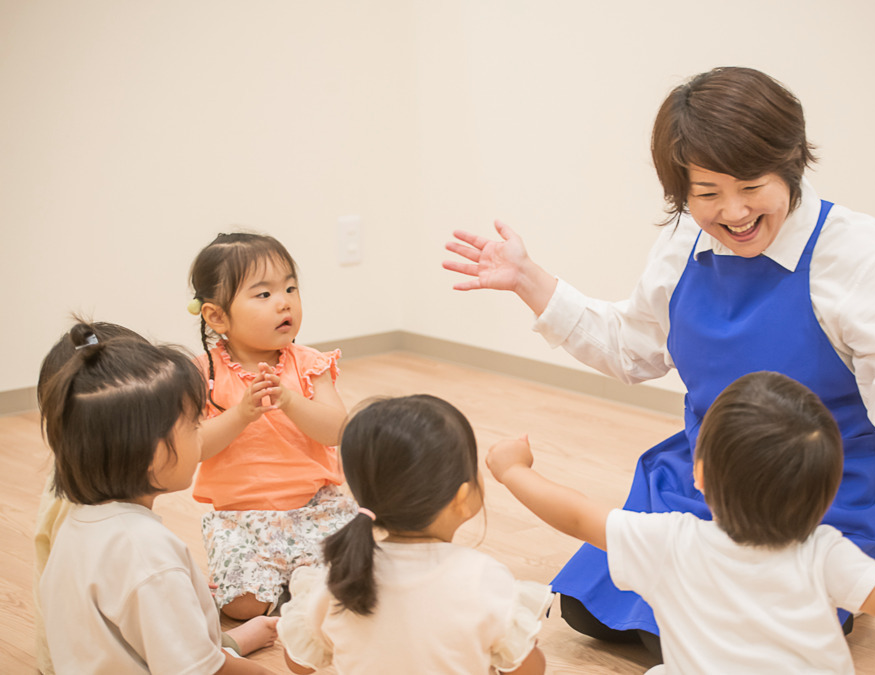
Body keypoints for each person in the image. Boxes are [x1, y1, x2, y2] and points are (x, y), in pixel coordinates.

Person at [443, 65, 875, 651]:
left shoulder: (859, 255)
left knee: (721, 636)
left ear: (790, 164)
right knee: (592, 616)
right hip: (709, 477)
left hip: (820, 493)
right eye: (707, 194)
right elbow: (631, 348)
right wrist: (528, 280)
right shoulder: (683, 242)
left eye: (750, 187)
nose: (734, 213)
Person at [488, 371, 875, 673]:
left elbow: (576, 514)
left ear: (698, 474)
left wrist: (512, 470)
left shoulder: (668, 539)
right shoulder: (824, 552)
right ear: (829, 492)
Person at [32, 320, 278, 675]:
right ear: (152, 455)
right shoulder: (145, 550)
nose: (201, 436)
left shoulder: (75, 525)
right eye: (194, 425)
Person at [276, 394, 552, 674]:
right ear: (461, 496)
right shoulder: (484, 579)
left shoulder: (341, 576)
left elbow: (298, 663)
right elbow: (529, 671)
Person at [188, 232, 358, 620]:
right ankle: (292, 591)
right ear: (216, 316)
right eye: (263, 294)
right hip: (239, 519)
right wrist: (242, 414)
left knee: (358, 575)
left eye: (290, 288)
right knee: (241, 606)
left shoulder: (308, 363)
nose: (284, 302)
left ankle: (298, 587)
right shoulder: (203, 375)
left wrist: (290, 401)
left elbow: (337, 429)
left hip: (315, 509)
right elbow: (194, 447)